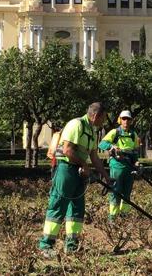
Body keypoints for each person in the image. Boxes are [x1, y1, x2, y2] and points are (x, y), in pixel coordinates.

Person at [38, 102, 110, 257]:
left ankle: (71, 245)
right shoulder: (76, 125)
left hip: (79, 172)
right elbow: (67, 150)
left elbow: (94, 156)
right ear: (96, 115)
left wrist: (106, 176)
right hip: (66, 168)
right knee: (58, 204)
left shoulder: (92, 130)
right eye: (103, 118)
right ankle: (46, 245)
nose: (103, 121)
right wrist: (84, 164)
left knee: (77, 208)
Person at [98, 110, 140, 221]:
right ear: (120, 120)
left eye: (128, 119)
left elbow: (135, 151)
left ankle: (124, 216)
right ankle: (112, 217)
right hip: (117, 165)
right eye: (124, 118)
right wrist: (112, 146)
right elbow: (102, 144)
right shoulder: (114, 132)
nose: (126, 121)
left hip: (129, 166)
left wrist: (137, 163)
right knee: (115, 191)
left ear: (131, 121)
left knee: (127, 192)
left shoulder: (133, 134)